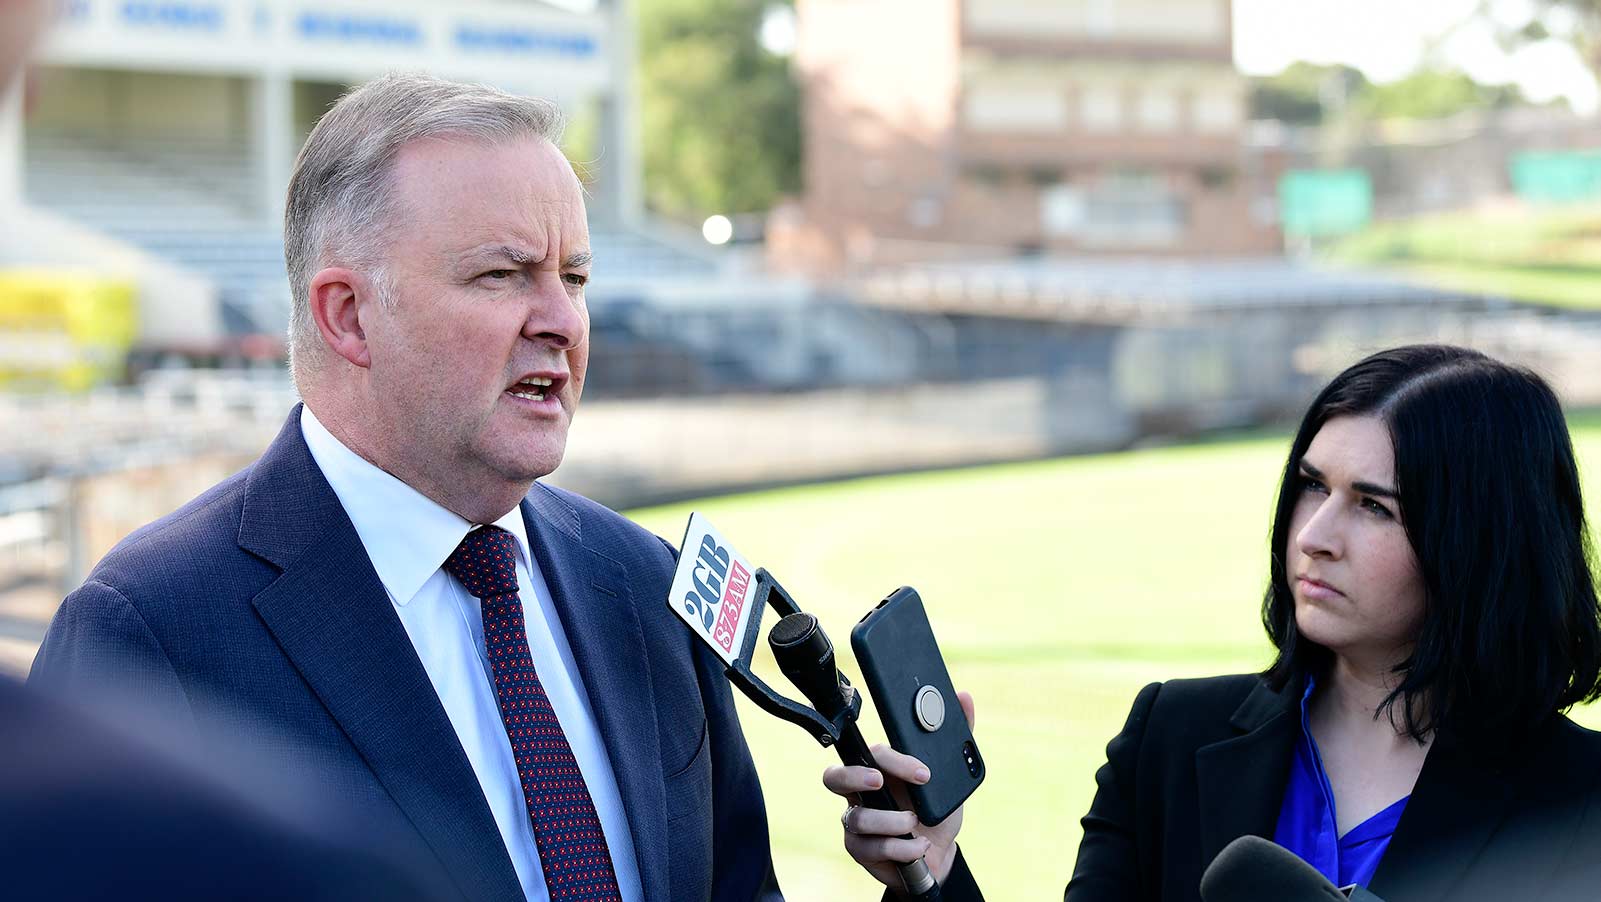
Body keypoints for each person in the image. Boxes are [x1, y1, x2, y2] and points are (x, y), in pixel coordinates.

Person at [30, 73, 780, 901]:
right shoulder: (151, 631)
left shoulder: (645, 582)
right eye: (502, 274)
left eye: (573, 277)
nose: (561, 321)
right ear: (347, 315)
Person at [825, 345, 1601, 901]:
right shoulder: (1169, 735)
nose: (1314, 534)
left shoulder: (1579, 800)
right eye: (1309, 486)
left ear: (1483, 543)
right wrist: (931, 868)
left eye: (1372, 506)